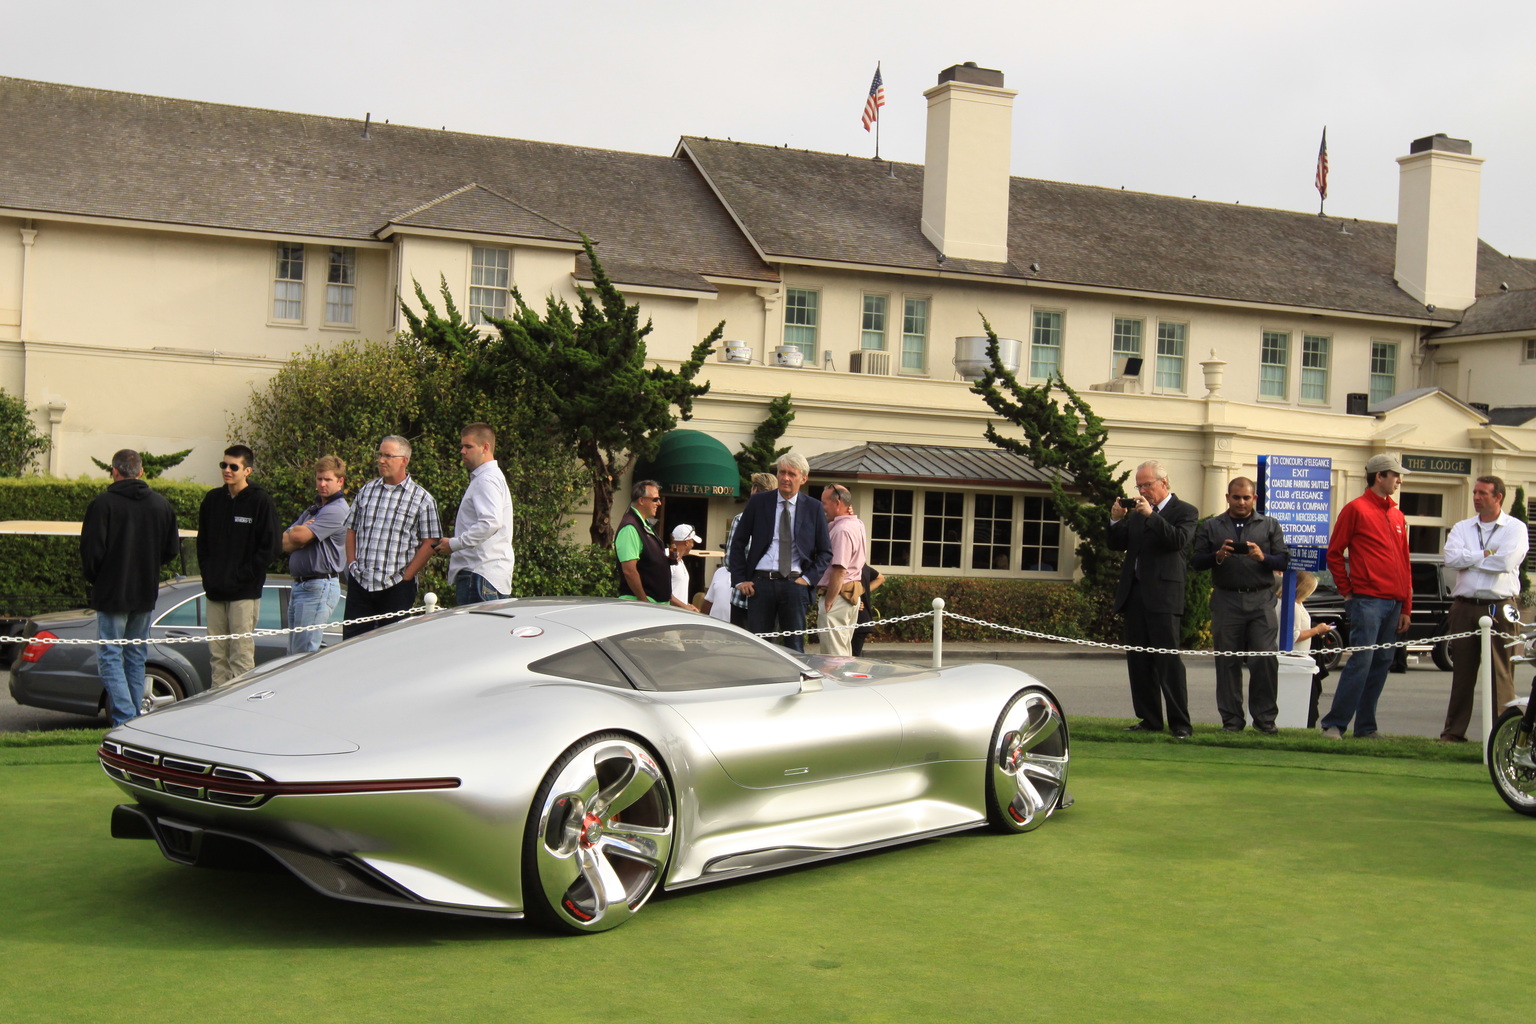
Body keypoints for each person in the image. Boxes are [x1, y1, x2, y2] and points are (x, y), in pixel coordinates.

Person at [80, 449, 181, 725]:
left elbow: (91, 554)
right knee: (135, 657)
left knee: (111, 657)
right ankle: (135, 718)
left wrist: (100, 578)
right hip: (144, 591)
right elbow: (171, 550)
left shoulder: (102, 504)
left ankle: (125, 717)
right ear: (141, 471)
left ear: (114, 471)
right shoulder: (161, 505)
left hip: (112, 593)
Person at [1319, 453, 1412, 739]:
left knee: (1382, 663)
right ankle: (1334, 724)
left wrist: (1406, 606)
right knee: (1361, 662)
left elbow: (1405, 563)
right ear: (1379, 476)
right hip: (1368, 600)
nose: (1399, 480)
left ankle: (1366, 727)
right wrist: (1348, 591)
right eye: (1394, 475)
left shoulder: (1396, 514)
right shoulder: (1356, 509)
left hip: (1394, 602)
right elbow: (1334, 553)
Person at [1191, 477, 1290, 733]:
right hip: (1226, 600)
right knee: (1227, 661)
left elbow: (1283, 561)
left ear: (1254, 498)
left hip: (1261, 600)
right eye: (1236, 497)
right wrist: (1218, 555)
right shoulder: (1213, 526)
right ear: (1228, 497)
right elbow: (1196, 561)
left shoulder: (1269, 525)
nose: (1241, 502)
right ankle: (1232, 721)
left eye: (1246, 497)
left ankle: (1265, 721)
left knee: (1265, 659)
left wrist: (1262, 556)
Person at [1108, 459, 1198, 737]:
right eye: (1139, 485)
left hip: (1164, 597)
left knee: (1168, 663)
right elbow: (1116, 543)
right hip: (1135, 595)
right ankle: (1149, 720)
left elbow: (1178, 541)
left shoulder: (1185, 511)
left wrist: (1152, 516)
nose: (1143, 490)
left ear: (1164, 483)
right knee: (1139, 661)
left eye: (1148, 484)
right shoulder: (1136, 513)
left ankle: (1180, 724)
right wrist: (1115, 519)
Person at [1439, 475, 1528, 742]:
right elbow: (1451, 559)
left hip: (1499, 607)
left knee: (1501, 674)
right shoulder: (1463, 527)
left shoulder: (1515, 528)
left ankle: (1502, 736)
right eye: (1475, 492)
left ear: (1497, 496)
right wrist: (1487, 554)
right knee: (1462, 673)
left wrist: (1472, 558)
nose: (1476, 497)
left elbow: (1506, 562)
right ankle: (1453, 733)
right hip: (1465, 606)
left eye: (1482, 493)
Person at [728, 452, 832, 652]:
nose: (785, 478)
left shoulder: (814, 508)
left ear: (803, 478)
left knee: (794, 646)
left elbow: (826, 552)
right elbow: (738, 543)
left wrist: (808, 579)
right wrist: (740, 579)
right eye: (782, 472)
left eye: (791, 474)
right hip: (761, 584)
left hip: (795, 585)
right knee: (759, 647)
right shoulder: (759, 502)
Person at [343, 435, 442, 640]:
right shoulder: (366, 491)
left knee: (390, 646)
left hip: (396, 587)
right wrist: (352, 564)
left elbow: (431, 541)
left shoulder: (422, 498)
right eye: (380, 455)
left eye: (388, 456)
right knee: (351, 646)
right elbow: (351, 529)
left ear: (404, 460)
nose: (381, 460)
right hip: (361, 583)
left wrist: (407, 576)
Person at [197, 444, 278, 684]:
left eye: (234, 466)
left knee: (241, 656)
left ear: (248, 470)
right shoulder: (212, 499)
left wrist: (244, 575)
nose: (227, 470)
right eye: (224, 465)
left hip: (244, 592)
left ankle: (239, 711)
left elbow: (271, 547)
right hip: (215, 592)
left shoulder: (260, 501)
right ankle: (216, 709)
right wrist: (209, 575)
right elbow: (202, 544)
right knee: (217, 655)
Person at [432, 423, 514, 606]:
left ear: (485, 447)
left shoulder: (487, 479)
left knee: (475, 634)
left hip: (478, 574)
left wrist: (453, 544)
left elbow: (490, 522)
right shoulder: (491, 477)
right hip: (487, 574)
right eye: (462, 446)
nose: (462, 451)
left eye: (468, 446)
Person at [280, 456, 349, 655]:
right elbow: (284, 543)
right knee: (293, 654)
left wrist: (298, 531)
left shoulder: (337, 510)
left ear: (340, 481)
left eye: (327, 479)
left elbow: (298, 537)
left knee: (303, 655)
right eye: (319, 479)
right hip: (302, 586)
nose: (322, 484)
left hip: (318, 586)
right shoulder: (316, 509)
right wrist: (299, 532)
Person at [615, 480, 690, 608]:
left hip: (654, 605)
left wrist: (663, 561)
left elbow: (649, 564)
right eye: (655, 499)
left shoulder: (644, 526)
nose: (659, 503)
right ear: (641, 500)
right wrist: (644, 602)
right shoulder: (630, 527)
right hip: (640, 606)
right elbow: (629, 570)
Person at [722, 472, 777, 629]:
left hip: (743, 597)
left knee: (741, 649)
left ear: (755, 490)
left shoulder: (741, 519)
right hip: (772, 598)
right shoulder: (783, 521)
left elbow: (729, 561)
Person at [817, 484, 867, 657]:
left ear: (837, 502)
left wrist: (828, 601)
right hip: (849, 596)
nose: (822, 507)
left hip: (838, 596)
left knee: (833, 655)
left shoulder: (842, 530)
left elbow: (839, 570)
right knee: (843, 652)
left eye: (824, 503)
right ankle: (842, 682)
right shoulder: (857, 524)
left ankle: (836, 684)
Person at [1290, 571, 1335, 729]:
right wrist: (1316, 630)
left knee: (1312, 696)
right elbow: (1294, 636)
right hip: (1296, 657)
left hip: (1304, 657)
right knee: (1307, 699)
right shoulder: (1293, 607)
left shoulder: (1298, 604)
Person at [850, 564, 886, 657]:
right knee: (853, 655)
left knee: (850, 656)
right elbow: (880, 578)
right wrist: (863, 592)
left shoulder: (850, 567)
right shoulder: (862, 566)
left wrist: (861, 593)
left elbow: (880, 578)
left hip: (856, 618)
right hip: (861, 618)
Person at [669, 524, 702, 607]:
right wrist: (685, 607)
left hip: (678, 615)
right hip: (668, 615)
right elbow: (662, 591)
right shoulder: (667, 558)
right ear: (687, 542)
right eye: (692, 542)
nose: (693, 545)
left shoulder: (679, 560)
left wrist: (687, 605)